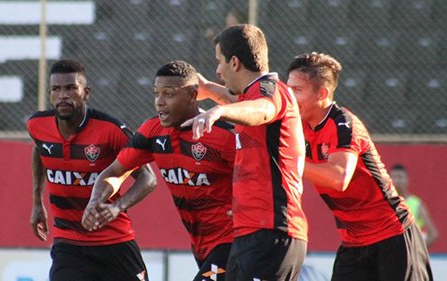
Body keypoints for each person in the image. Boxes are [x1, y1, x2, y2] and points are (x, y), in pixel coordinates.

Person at [82, 60, 236, 281]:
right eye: (156, 94)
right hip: (202, 246)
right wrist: (95, 201)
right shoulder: (152, 131)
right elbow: (114, 172)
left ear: (193, 95)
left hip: (235, 242)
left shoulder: (224, 134)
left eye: (169, 94)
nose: (160, 102)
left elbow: (259, 179)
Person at [286, 52, 433, 281]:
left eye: (297, 90)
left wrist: (289, 160)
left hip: (392, 236)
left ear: (322, 93)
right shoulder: (298, 124)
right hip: (353, 242)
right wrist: (215, 95)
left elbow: (339, 178)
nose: (290, 98)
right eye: (288, 90)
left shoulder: (343, 122)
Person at [182, 24, 307, 281]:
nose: (217, 70)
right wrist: (209, 92)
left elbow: (260, 110)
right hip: (250, 233)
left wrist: (218, 112)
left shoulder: (271, 91)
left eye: (219, 61)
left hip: (272, 232)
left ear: (235, 62)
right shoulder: (251, 94)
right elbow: (241, 103)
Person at [27, 59, 156, 281]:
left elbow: (148, 178)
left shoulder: (111, 130)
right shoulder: (37, 125)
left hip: (114, 242)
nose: (63, 95)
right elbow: (40, 150)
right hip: (69, 243)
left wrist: (117, 207)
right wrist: (38, 202)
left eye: (70, 88)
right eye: (56, 89)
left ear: (86, 92)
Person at [390, 163, 439, 247]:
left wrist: (418, 250)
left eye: (400, 177)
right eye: (394, 177)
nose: (397, 181)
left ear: (407, 179)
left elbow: (433, 234)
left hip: (410, 255)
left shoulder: (417, 204)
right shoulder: (385, 203)